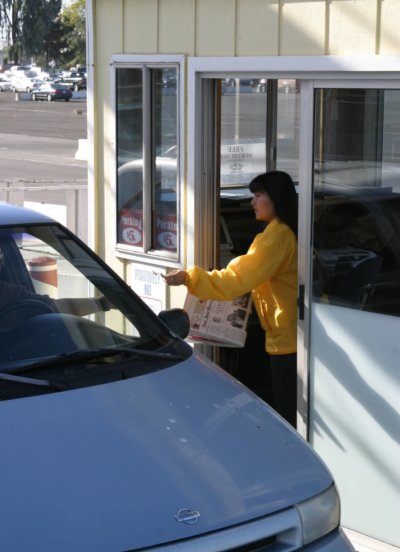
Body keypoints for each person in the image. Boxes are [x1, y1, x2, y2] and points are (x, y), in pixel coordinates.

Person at [163, 171, 298, 427]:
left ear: (276, 199)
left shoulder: (276, 237)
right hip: (292, 332)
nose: (253, 202)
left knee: (287, 412)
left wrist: (190, 278)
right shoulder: (290, 229)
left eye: (258, 195)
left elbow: (236, 279)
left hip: (287, 338)